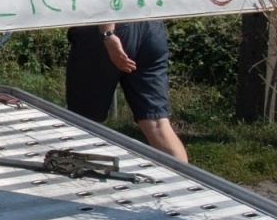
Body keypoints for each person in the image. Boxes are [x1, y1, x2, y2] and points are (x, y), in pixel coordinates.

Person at [65, 20, 189, 162]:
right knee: (157, 124)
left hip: (106, 29)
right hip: (150, 26)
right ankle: (185, 176)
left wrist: (108, 34)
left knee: (84, 123)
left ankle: (85, 173)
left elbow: (106, 5)